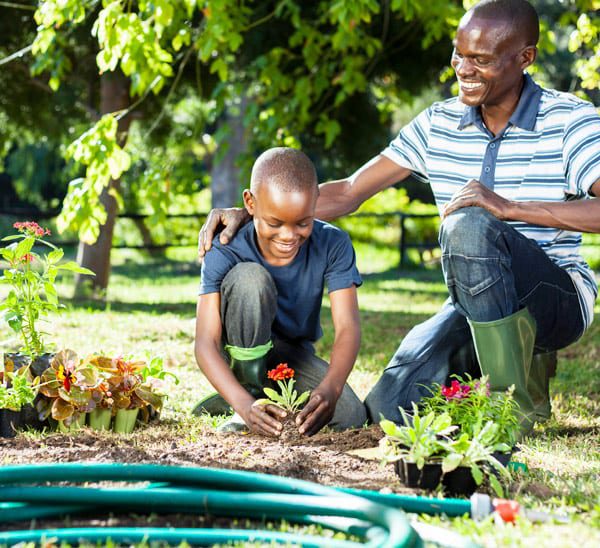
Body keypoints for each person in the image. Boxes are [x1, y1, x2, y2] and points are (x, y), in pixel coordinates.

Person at [198, 0, 600, 435]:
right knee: (386, 409)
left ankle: (511, 409)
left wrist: (508, 208)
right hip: (471, 303)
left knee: (465, 223)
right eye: (458, 54)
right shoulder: (438, 123)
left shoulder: (569, 120)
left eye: (480, 60)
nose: (463, 69)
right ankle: (502, 369)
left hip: (555, 297)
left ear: (525, 58)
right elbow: (351, 191)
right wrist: (258, 212)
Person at [194, 147, 367, 436]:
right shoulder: (224, 247)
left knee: (351, 415)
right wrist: (245, 407)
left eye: (303, 223)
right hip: (239, 352)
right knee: (251, 278)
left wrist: (332, 387)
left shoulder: (333, 244)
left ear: (315, 202)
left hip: (290, 357)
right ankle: (241, 397)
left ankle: (268, 396)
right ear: (250, 203)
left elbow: (348, 326)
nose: (288, 236)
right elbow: (204, 343)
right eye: (274, 223)